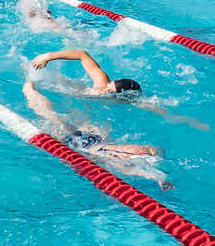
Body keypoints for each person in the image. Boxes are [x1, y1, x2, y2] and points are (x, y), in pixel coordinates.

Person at [20, 72, 167, 187]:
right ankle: (30, 91)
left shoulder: (144, 151)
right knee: (53, 119)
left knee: (56, 118)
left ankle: (30, 89)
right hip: (82, 146)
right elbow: (135, 170)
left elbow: (151, 158)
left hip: (94, 137)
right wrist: (157, 178)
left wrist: (157, 177)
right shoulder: (121, 162)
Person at [28, 47, 139, 96]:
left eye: (110, 92)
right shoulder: (102, 82)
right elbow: (81, 54)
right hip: (68, 87)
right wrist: (48, 57)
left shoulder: (126, 100)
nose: (105, 90)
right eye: (108, 87)